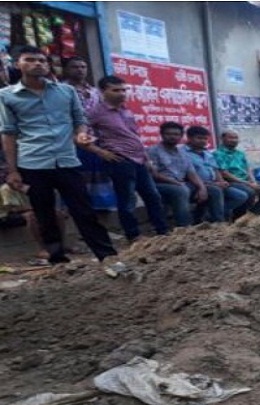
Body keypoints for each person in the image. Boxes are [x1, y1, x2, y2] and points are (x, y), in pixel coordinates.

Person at [0, 46, 121, 268]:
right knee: (44, 214)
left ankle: (108, 256)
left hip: (66, 160)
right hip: (32, 163)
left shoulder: (66, 92)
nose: (38, 64)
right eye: (30, 60)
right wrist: (13, 169)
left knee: (84, 211)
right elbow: (8, 133)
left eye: (42, 60)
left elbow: (79, 119)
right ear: (18, 64)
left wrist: (81, 134)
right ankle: (58, 260)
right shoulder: (6, 96)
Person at [85, 75, 168, 242]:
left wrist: (147, 159)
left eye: (124, 90)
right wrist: (101, 152)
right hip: (120, 160)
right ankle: (133, 235)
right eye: (116, 90)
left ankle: (162, 232)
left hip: (139, 160)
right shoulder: (95, 112)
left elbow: (134, 136)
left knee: (152, 196)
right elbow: (80, 137)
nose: (122, 93)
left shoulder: (126, 110)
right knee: (127, 200)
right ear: (103, 91)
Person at [62, 56, 116, 211]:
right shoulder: (60, 90)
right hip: (70, 139)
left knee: (98, 174)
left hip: (95, 139)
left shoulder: (94, 91)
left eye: (83, 66)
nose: (79, 70)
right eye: (75, 66)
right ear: (66, 69)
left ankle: (100, 208)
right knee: (78, 176)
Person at [183, 126, 248, 222]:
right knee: (216, 191)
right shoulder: (182, 152)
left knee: (241, 196)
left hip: (214, 183)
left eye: (205, 139)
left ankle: (209, 216)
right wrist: (210, 184)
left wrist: (221, 181)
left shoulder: (207, 153)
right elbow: (189, 173)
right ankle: (218, 222)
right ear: (189, 138)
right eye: (199, 138)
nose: (203, 141)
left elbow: (215, 169)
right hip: (196, 184)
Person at [148, 122, 208, 227]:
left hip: (180, 183)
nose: (172, 137)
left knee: (212, 190)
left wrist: (202, 187)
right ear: (161, 135)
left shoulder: (183, 153)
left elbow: (191, 172)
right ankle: (185, 227)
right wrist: (174, 182)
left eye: (176, 134)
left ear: (181, 136)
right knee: (181, 190)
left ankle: (210, 222)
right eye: (168, 134)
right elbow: (154, 174)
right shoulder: (153, 151)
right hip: (161, 184)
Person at [214, 130, 260, 219]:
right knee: (250, 192)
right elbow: (224, 173)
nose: (234, 140)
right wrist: (248, 184)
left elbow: (248, 169)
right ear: (222, 138)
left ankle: (252, 215)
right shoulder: (218, 154)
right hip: (231, 181)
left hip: (246, 180)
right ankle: (238, 217)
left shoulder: (240, 153)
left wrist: (253, 182)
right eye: (230, 137)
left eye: (236, 138)